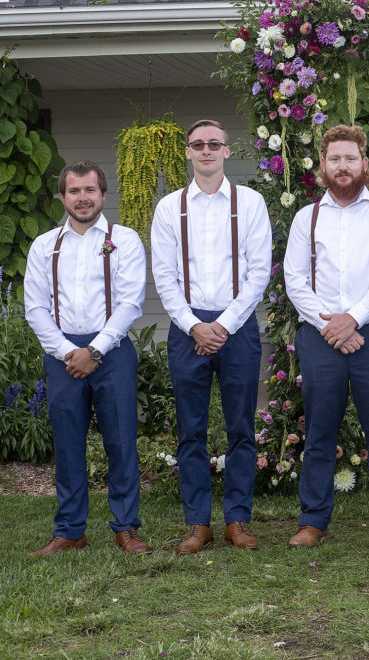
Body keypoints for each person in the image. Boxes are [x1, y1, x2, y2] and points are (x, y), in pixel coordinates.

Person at [282, 125, 369, 551]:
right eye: (334, 158)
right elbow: (295, 280)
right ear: (322, 165)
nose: (342, 166)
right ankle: (313, 520)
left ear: (364, 164)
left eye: (350, 158)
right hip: (321, 334)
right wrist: (330, 326)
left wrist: (352, 318)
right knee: (320, 428)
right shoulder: (307, 217)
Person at [151, 120, 272, 554]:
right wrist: (194, 326)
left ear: (226, 151)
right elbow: (164, 277)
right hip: (187, 329)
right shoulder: (169, 208)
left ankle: (237, 520)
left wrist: (223, 325)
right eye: (198, 144)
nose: (206, 151)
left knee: (241, 427)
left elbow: (259, 271)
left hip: (237, 327)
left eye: (213, 144)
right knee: (191, 431)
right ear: (188, 152)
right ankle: (197, 523)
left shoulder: (250, 202)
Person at [24, 160, 149, 556]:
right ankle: (70, 530)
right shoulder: (45, 245)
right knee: (67, 444)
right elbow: (35, 309)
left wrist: (95, 349)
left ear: (103, 194)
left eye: (89, 190)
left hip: (111, 352)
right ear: (63, 196)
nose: (82, 198)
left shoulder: (124, 239)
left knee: (121, 441)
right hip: (62, 356)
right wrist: (69, 352)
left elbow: (131, 302)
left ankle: (126, 527)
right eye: (74, 191)